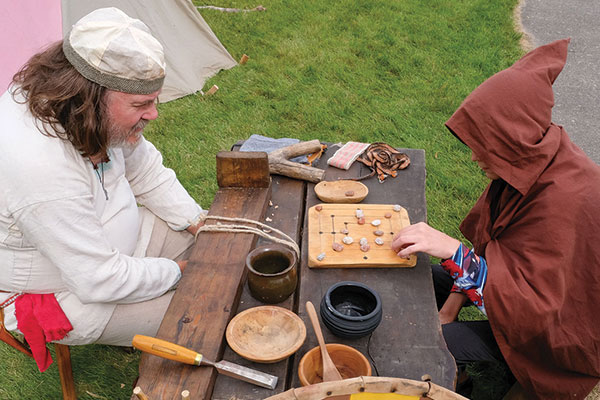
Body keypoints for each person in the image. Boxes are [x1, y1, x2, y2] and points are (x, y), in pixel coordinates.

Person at [392, 38, 600, 399]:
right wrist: (450, 308)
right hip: (518, 298)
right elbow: (495, 251)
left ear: (511, 140)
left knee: (420, 339)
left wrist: (454, 252)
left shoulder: (566, 201)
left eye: (483, 146)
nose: (474, 157)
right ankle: (458, 375)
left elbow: (532, 313)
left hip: (557, 338)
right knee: (413, 273)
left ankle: (471, 376)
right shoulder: (530, 162)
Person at [0, 8, 206, 371]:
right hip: (63, 294)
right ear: (89, 98)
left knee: (222, 250)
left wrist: (197, 223)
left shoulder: (81, 111)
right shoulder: (39, 166)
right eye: (141, 104)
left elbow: (145, 170)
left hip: (114, 247)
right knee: (205, 313)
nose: (154, 114)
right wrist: (178, 273)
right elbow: (98, 280)